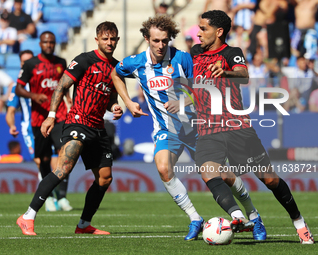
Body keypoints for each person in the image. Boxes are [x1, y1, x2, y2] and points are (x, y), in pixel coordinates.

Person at [111, 14, 265, 241]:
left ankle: (254, 215)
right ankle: (195, 218)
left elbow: (201, 87)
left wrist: (183, 101)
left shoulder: (183, 59)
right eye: (156, 41)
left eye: (165, 40)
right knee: (163, 168)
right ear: (146, 39)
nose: (161, 45)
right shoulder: (135, 62)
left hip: (196, 127)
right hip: (167, 129)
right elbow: (115, 73)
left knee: (225, 176)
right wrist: (127, 101)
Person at [190, 10, 314, 244]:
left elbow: (243, 74)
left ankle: (299, 222)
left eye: (203, 29)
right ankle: (239, 217)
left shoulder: (231, 53)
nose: (198, 33)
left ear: (218, 32)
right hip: (208, 128)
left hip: (237, 128)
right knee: (209, 172)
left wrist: (225, 71)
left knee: (269, 179)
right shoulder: (194, 53)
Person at [16, 21, 123, 236]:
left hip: (98, 127)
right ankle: (27, 216)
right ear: (97, 40)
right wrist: (52, 116)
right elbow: (61, 86)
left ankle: (83, 225)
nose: (109, 42)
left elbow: (111, 97)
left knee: (105, 178)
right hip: (77, 122)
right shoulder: (84, 60)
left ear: (118, 40)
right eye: (105, 39)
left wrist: (115, 106)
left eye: (113, 39)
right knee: (62, 168)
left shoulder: (117, 67)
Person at [5, 49, 71, 211]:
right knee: (41, 161)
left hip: (53, 124)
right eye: (23, 62)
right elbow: (10, 111)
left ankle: (60, 197)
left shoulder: (44, 78)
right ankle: (49, 197)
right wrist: (12, 125)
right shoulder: (18, 87)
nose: (25, 64)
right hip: (31, 128)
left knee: (61, 162)